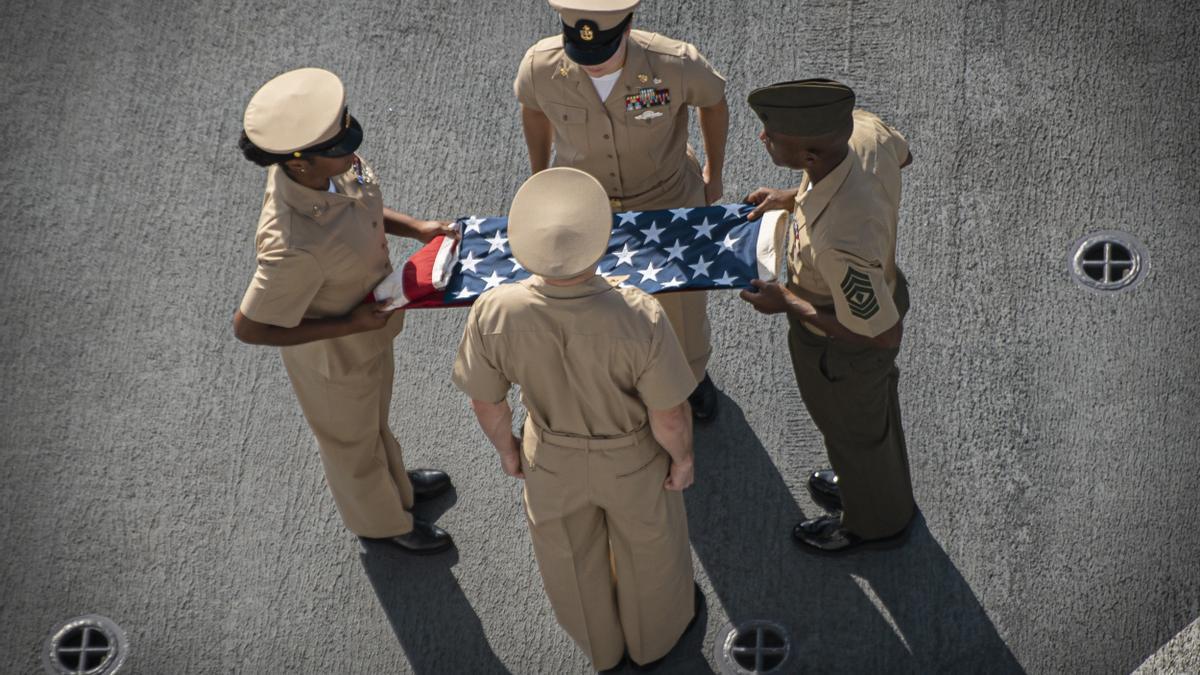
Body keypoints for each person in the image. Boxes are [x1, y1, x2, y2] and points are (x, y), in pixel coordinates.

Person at [453, 168, 701, 671]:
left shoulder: (494, 311)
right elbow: (668, 413)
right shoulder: (640, 316)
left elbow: (487, 402)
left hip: (551, 455)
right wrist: (682, 459)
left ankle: (603, 652)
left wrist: (508, 451)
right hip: (630, 454)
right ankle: (653, 644)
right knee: (650, 550)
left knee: (567, 558)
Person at [232, 67, 455, 555]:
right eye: (337, 149)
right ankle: (383, 522)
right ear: (299, 162)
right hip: (333, 359)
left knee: (374, 422)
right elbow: (248, 327)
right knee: (350, 446)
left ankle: (396, 485)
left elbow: (361, 210)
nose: (353, 152)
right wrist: (348, 324)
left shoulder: (330, 163)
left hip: (370, 329)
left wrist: (416, 227)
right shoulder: (290, 242)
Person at [514, 0, 729, 421]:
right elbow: (533, 109)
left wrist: (713, 172)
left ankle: (692, 377)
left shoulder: (674, 62)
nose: (591, 64)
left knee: (679, 306)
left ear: (627, 29)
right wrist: (540, 179)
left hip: (666, 198)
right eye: (581, 52)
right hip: (584, 206)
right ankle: (622, 381)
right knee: (592, 303)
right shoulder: (541, 65)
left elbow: (714, 101)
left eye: (602, 52)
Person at [740, 79, 917, 554]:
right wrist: (792, 196)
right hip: (874, 296)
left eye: (772, 137)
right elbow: (903, 156)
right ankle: (863, 481)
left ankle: (875, 523)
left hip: (845, 349)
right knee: (866, 430)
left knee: (856, 435)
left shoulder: (841, 241)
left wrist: (787, 302)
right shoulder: (861, 131)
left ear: (812, 157)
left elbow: (880, 335)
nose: (764, 139)